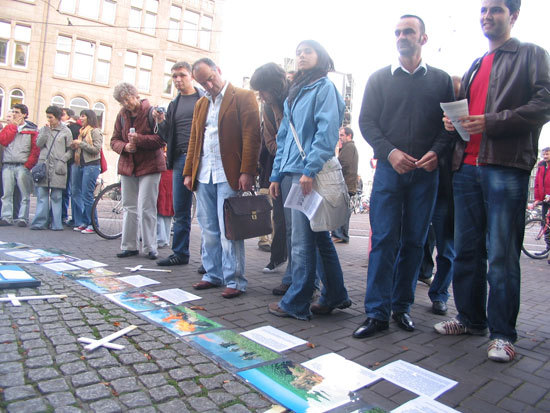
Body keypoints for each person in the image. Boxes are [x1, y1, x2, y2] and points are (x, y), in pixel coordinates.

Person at [435, 0, 550, 362]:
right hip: (466, 166)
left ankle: (502, 334)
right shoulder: (475, 63)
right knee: (467, 251)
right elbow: (468, 112)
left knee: (501, 254)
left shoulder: (532, 54)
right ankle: (470, 318)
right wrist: (452, 123)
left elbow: (545, 102)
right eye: (483, 10)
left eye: (496, 9)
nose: (487, 16)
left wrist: (492, 121)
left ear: (513, 16)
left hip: (505, 165)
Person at [353, 15, 454, 339]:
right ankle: (377, 313)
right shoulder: (379, 78)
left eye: (408, 31)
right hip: (389, 172)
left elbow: (448, 126)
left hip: (425, 175)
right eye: (397, 32)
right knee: (383, 240)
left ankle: (401, 307)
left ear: (423, 38)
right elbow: (367, 122)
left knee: (414, 241)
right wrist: (390, 152)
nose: (401, 36)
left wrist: (437, 152)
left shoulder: (440, 80)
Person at [267, 40, 351, 320]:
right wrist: (277, 174)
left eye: (308, 51)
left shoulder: (324, 88)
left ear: (321, 57)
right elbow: (284, 137)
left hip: (305, 175)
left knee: (302, 241)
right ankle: (336, 294)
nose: (301, 56)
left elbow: (327, 135)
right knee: (318, 238)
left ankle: (297, 302)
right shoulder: (296, 91)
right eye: (298, 52)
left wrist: (309, 171)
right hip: (292, 173)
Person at [183, 58, 261, 299]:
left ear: (218, 71)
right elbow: (195, 140)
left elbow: (252, 137)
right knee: (208, 228)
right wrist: (188, 172)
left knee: (230, 229)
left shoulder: (244, 96)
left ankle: (235, 280)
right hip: (204, 172)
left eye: (210, 78)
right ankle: (212, 274)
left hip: (230, 173)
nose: (209, 84)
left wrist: (247, 171)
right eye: (203, 82)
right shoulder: (201, 104)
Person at [154, 61, 203, 267]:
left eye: (182, 75)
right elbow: (168, 136)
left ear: (191, 75)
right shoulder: (174, 104)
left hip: (201, 159)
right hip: (180, 159)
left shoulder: (204, 99)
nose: (177, 80)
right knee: (180, 211)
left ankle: (208, 261)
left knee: (205, 213)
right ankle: (180, 253)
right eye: (174, 76)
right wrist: (161, 122)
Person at [110, 82, 166, 260]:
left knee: (146, 207)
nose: (126, 104)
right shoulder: (122, 115)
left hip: (150, 165)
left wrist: (139, 140)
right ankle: (129, 246)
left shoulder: (151, 112)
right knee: (129, 207)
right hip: (128, 166)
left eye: (127, 99)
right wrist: (125, 146)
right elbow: (114, 140)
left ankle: (150, 247)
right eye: (122, 101)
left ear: (136, 95)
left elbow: (161, 140)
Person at [250, 63, 289, 275]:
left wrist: (283, 145)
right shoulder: (267, 107)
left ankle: (298, 272)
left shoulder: (295, 97)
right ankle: (278, 258)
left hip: (300, 170)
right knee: (280, 217)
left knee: (301, 226)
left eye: (263, 90)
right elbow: (270, 142)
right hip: (279, 167)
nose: (261, 96)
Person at [31, 106, 73, 231]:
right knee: (42, 196)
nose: (49, 120)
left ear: (57, 117)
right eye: (48, 117)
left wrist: (62, 160)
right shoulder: (44, 129)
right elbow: (38, 144)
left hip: (58, 166)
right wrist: (45, 132)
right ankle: (40, 223)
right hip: (44, 166)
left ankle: (56, 223)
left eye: (51, 117)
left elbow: (70, 150)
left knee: (56, 196)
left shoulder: (66, 131)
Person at [0, 104, 39, 227]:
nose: (15, 114)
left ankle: (23, 217)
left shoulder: (32, 130)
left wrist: (28, 165)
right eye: (13, 112)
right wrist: (13, 127)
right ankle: (6, 217)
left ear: (24, 114)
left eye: (17, 112)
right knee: (7, 193)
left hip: (22, 165)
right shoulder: (10, 127)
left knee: (24, 194)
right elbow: (3, 140)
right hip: (8, 164)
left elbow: (35, 149)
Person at [70, 109, 103, 234]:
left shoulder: (95, 131)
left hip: (91, 166)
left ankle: (93, 224)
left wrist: (81, 144)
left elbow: (96, 149)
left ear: (89, 118)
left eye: (83, 116)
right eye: (81, 116)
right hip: (81, 165)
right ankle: (84, 221)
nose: (81, 118)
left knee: (87, 195)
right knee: (80, 194)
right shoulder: (81, 132)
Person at [332, 126, 358, 244]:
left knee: (338, 209)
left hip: (345, 184)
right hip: (348, 184)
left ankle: (338, 234)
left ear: (349, 136)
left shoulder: (349, 147)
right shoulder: (350, 147)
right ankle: (342, 235)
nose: (340, 138)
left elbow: (343, 164)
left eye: (342, 135)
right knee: (344, 210)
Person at [61, 107, 81, 227]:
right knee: (68, 191)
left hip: (73, 162)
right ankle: (70, 217)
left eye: (63, 115)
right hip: (69, 162)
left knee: (72, 191)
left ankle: (74, 218)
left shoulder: (73, 127)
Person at [533, 147, 550, 256]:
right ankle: (548, 248)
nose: (545, 156)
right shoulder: (541, 165)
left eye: (547, 154)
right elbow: (537, 183)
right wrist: (537, 198)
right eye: (544, 154)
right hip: (545, 199)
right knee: (545, 223)